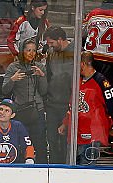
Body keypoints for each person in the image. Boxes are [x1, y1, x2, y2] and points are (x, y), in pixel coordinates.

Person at [59, 52, 113, 165]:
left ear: (83, 64)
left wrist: (112, 126)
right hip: (75, 132)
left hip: (92, 134)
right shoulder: (77, 80)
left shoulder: (101, 82)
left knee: (87, 168)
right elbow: (72, 105)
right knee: (70, 169)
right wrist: (65, 123)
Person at [2, 38, 48, 162]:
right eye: (28, 50)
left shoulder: (39, 67)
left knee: (40, 144)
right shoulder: (13, 67)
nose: (31, 53)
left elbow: (44, 91)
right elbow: (5, 90)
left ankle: (42, 169)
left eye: (33, 50)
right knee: (20, 142)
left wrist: (42, 77)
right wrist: (13, 79)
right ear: (22, 51)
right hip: (20, 111)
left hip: (37, 111)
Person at [43, 26, 73, 164]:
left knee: (67, 140)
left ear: (60, 40)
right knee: (52, 138)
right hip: (52, 104)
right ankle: (54, 167)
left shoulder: (76, 52)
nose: (49, 46)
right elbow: (49, 76)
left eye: (51, 43)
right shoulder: (51, 53)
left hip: (68, 105)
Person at [0, 99, 36, 164]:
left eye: (7, 111)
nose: (2, 112)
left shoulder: (18, 127)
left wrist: (29, 158)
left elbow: (28, 146)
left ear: (12, 115)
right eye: (1, 109)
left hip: (16, 167)